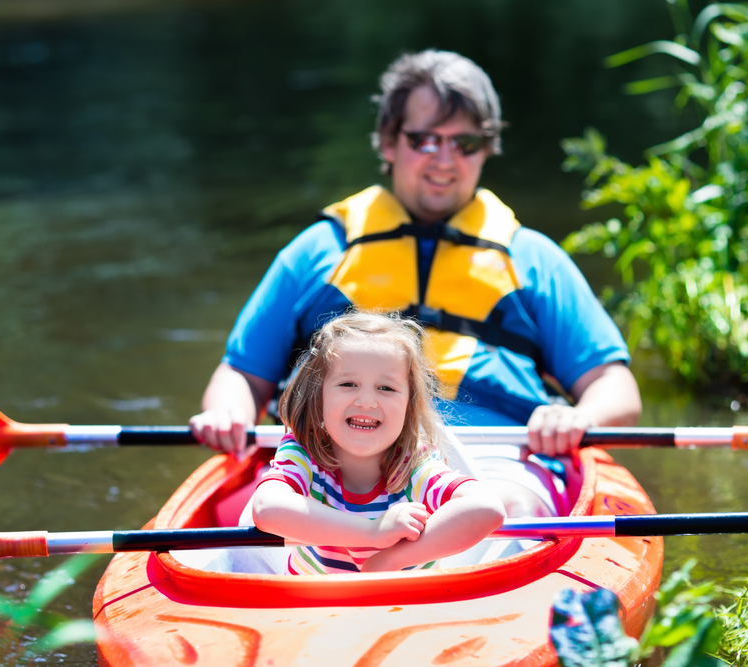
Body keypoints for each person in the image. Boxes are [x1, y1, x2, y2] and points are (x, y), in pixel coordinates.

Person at [191, 49, 641, 458]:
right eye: (425, 140)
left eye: (464, 143)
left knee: (498, 505)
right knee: (261, 516)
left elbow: (615, 388)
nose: (444, 159)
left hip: (497, 460)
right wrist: (229, 413)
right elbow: (243, 376)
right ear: (389, 142)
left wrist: (577, 418)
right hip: (333, 463)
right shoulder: (317, 252)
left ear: (486, 149)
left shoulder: (534, 260)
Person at [250, 311, 506, 573]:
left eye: (386, 388)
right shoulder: (304, 454)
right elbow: (266, 508)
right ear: (319, 397)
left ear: (409, 406)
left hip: (405, 610)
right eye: (348, 383)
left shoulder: (413, 465)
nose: (367, 401)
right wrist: (373, 531)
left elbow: (487, 508)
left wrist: (388, 561)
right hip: (316, 608)